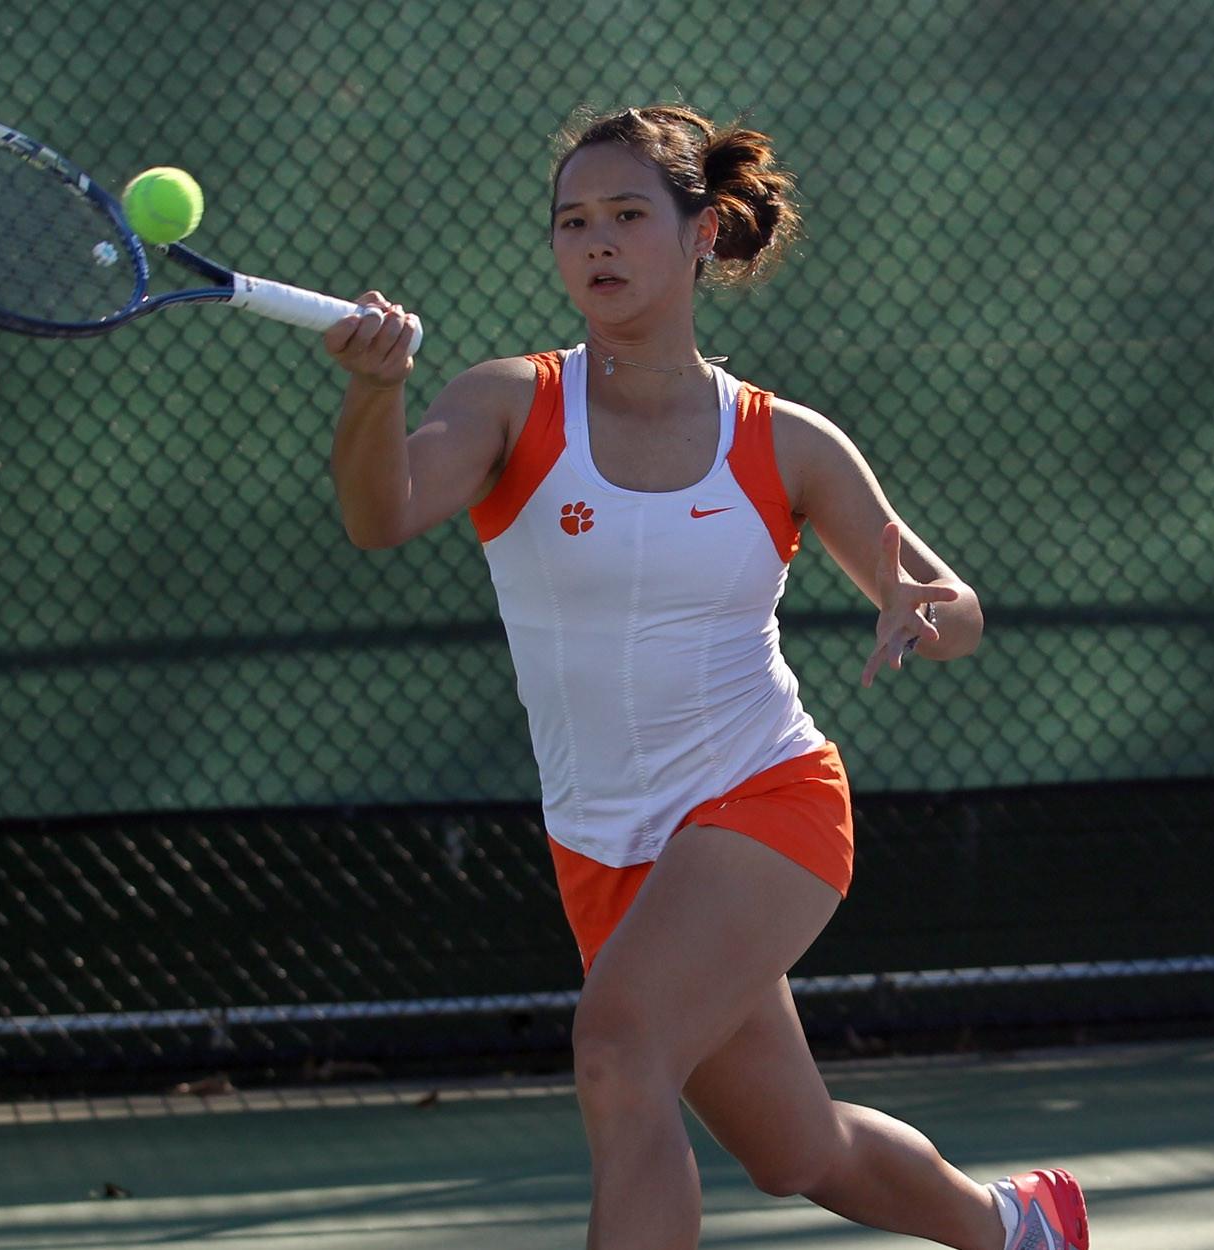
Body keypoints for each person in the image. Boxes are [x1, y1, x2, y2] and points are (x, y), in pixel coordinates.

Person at [321, 103, 1090, 1250]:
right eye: (573, 220)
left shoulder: (787, 441)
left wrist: (928, 611)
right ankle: (1016, 1226)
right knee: (795, 1151)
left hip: (764, 798)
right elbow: (379, 515)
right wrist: (373, 391)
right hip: (603, 845)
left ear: (701, 231)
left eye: (629, 214)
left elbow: (953, 604)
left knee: (617, 1050)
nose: (597, 241)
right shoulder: (506, 403)